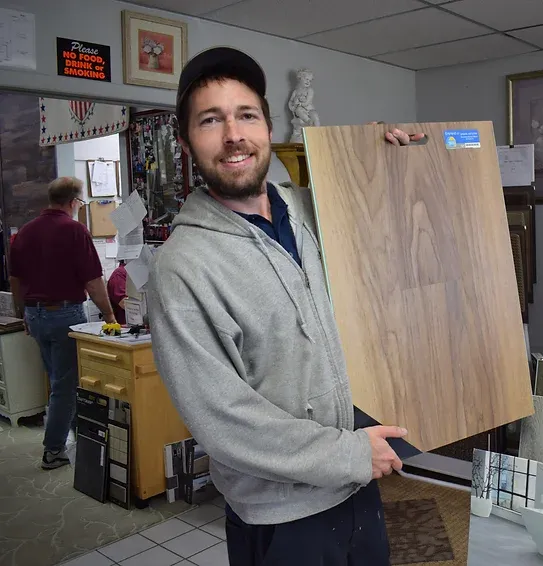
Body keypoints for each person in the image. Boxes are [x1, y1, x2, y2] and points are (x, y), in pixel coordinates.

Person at [146, 46, 423, 566]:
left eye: (246, 115)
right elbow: (224, 420)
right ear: (186, 142)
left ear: (268, 127)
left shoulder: (311, 209)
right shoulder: (180, 269)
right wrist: (348, 454)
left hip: (359, 482)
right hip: (281, 516)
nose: (233, 135)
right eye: (211, 120)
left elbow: (393, 251)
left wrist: (394, 163)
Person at [9, 176, 117, 469]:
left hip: (35, 313)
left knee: (58, 381)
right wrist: (109, 315)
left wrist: (24, 314)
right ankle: (53, 450)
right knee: (65, 387)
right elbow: (94, 282)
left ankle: (80, 437)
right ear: (73, 202)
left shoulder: (26, 232)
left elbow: (15, 279)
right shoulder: (74, 230)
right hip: (65, 314)